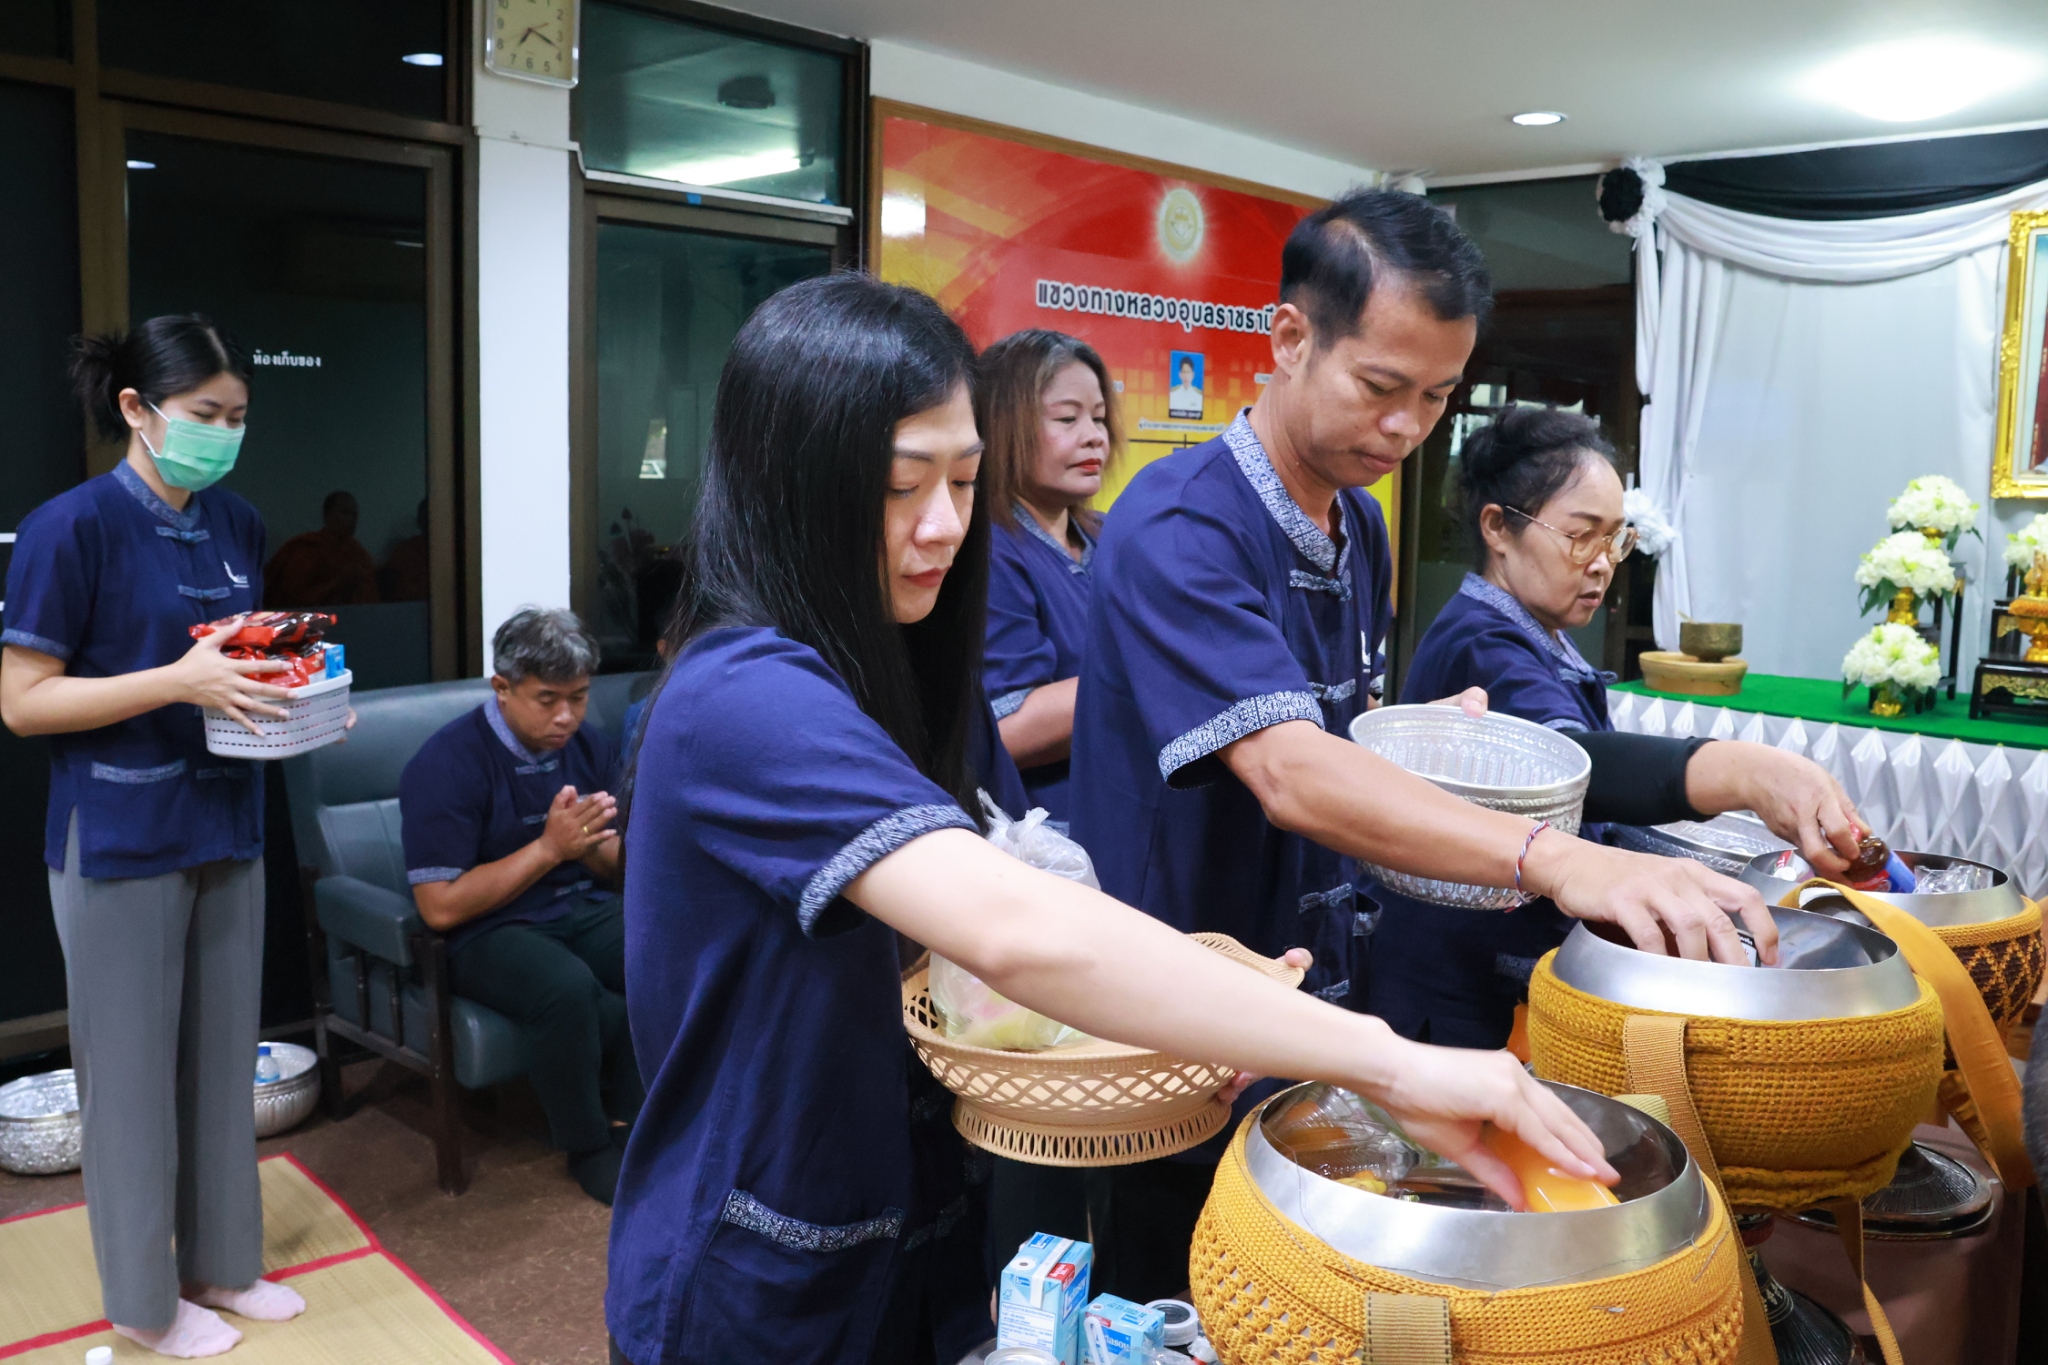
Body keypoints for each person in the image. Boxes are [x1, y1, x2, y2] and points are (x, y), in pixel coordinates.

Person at [603, 273, 1616, 1365]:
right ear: (788, 486)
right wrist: (1387, 1062)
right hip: (756, 1274)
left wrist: (1199, 1012)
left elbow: (1013, 891)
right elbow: (1011, 928)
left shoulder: (904, 664)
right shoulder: (739, 698)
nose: (944, 525)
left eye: (963, 480)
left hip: (911, 1230)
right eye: (901, 486)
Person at [1066, 189, 1790, 1302]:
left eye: (1437, 396)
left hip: (1314, 996)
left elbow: (1330, 735)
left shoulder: (1357, 520)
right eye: (1380, 387)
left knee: (1299, 1286)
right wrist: (1552, 855)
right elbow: (1289, 772)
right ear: (1289, 338)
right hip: (1183, 1015)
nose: (1406, 427)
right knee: (1180, 1290)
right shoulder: (1180, 522)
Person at [0, 316, 312, 1358]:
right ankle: (143, 1305)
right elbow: (24, 702)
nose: (225, 433)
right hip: (119, 833)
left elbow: (239, 672)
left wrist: (306, 702)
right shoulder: (69, 528)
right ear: (136, 409)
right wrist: (176, 682)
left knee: (224, 1063)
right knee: (130, 1082)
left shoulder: (237, 524)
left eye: (239, 416)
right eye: (204, 413)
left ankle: (221, 1263)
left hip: (225, 819)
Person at [1368, 406, 1865, 1047]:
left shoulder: (1530, 631)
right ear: (1497, 528)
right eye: (1581, 536)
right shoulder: (1485, 645)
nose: (1603, 563)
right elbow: (1574, 764)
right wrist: (1743, 771)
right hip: (1458, 995)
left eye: (1614, 539)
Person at [399, 606, 642, 1204]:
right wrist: (550, 848)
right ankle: (587, 1145)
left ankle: (634, 1121)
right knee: (565, 988)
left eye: (579, 698)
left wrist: (592, 847)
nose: (566, 717)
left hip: (576, 905)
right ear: (502, 688)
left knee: (661, 948)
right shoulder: (446, 763)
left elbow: (618, 868)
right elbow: (439, 907)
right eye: (547, 700)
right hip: (485, 929)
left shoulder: (589, 745)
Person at [977, 329, 1120, 822]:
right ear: (1004, 426)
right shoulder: (991, 548)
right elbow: (1007, 727)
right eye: (1067, 418)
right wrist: (1153, 671)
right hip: (1044, 833)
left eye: (1099, 417)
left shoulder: (1108, 534)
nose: (1094, 436)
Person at [264, 489, 378, 607]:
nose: (351, 520)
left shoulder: (359, 555)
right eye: (345, 513)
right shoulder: (308, 549)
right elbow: (294, 597)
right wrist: (338, 582)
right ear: (327, 515)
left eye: (354, 515)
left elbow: (371, 601)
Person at [377, 498, 431, 602]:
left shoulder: (453, 552)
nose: (430, 522)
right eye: (426, 517)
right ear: (419, 522)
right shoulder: (404, 552)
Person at [1167, 355, 1204, 419]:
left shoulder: (1199, 396)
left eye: (1188, 372)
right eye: (1184, 372)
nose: (1186, 376)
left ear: (1192, 375)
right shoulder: (1173, 394)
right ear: (1180, 375)